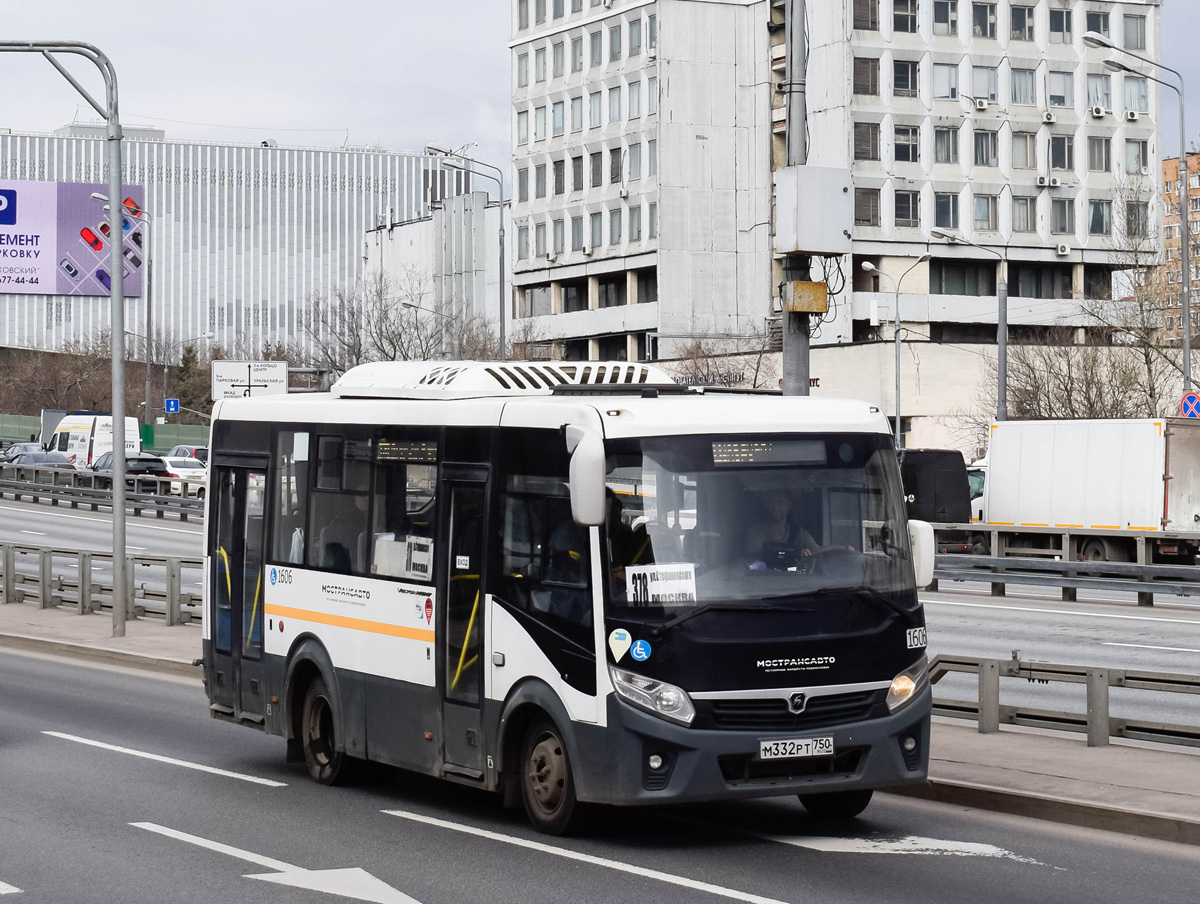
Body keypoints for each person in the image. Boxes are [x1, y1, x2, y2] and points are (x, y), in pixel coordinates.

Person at [744, 493, 847, 567]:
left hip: (795, 583)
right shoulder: (756, 532)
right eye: (771, 502)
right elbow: (759, 556)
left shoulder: (799, 533)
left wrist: (842, 548)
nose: (775, 506)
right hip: (764, 582)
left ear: (788, 506)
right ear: (766, 505)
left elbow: (816, 550)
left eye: (780, 502)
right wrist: (796, 554)